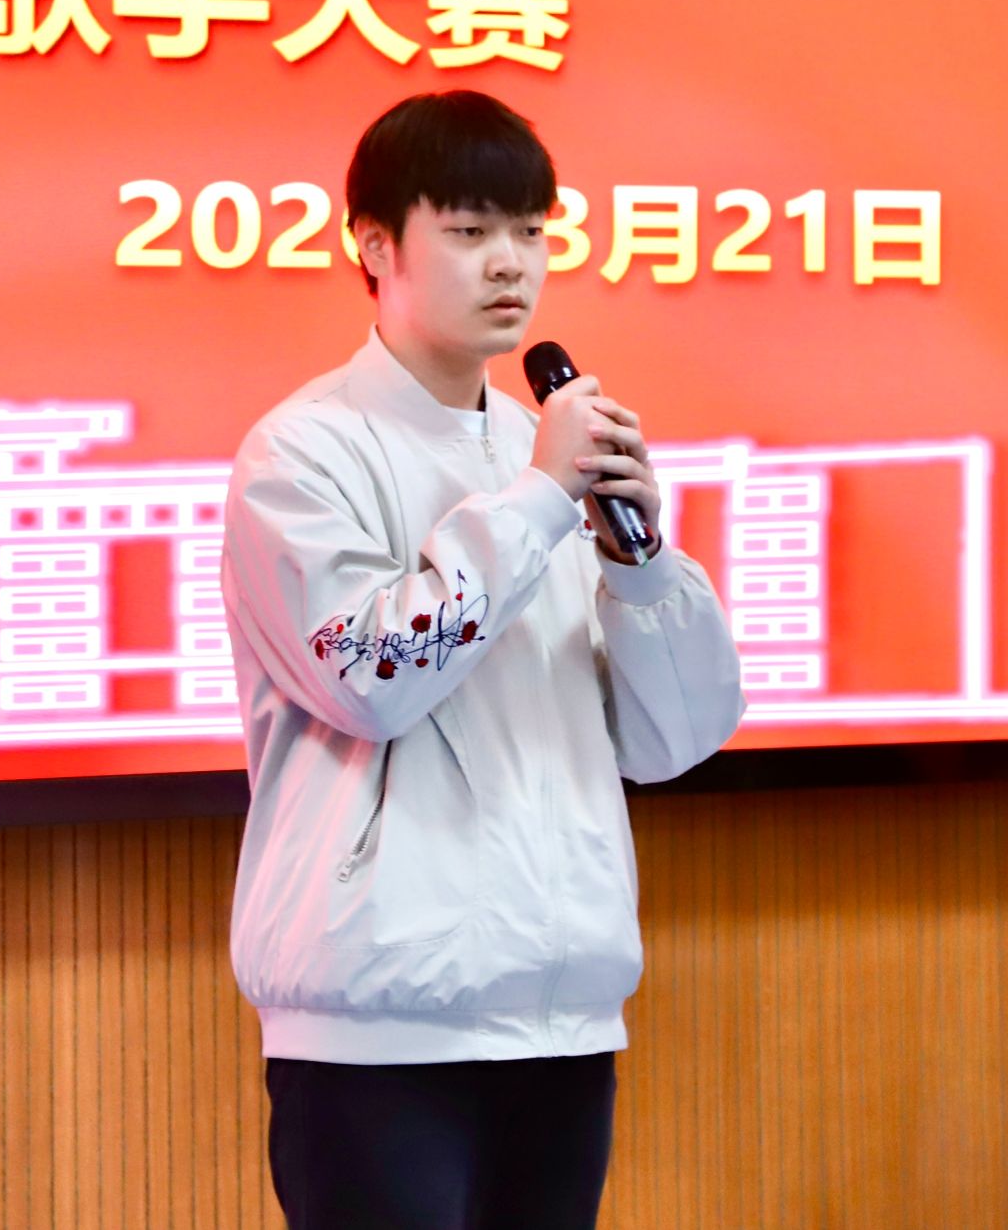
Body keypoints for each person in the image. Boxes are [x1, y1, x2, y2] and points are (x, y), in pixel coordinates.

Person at [219, 91, 744, 1229]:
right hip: (377, 1027)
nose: (511, 262)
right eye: (468, 230)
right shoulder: (302, 451)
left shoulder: (544, 451)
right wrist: (541, 498)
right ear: (375, 245)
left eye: (531, 231)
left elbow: (675, 739)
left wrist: (640, 562)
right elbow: (369, 677)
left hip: (563, 1012)